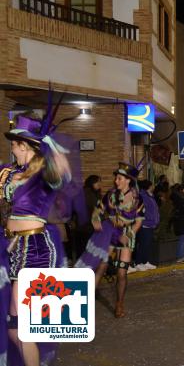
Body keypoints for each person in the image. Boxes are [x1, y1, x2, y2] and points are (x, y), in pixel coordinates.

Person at [2, 112, 74, 365]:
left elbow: (64, 176)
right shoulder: (12, 173)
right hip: (13, 247)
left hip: (35, 248)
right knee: (14, 325)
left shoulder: (45, 171)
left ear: (25, 146)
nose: (11, 150)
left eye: (14, 145)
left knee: (20, 323)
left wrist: (50, 144)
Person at [76, 162, 144, 318]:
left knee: (121, 273)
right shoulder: (111, 194)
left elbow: (139, 222)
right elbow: (98, 209)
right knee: (100, 267)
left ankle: (119, 303)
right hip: (109, 234)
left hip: (126, 235)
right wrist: (95, 219)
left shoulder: (137, 199)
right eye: (116, 178)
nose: (116, 181)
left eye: (119, 178)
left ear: (128, 180)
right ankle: (83, 303)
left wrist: (129, 234)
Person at [134, 180, 158, 271]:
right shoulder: (143, 196)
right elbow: (141, 210)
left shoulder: (150, 196)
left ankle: (145, 261)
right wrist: (147, 218)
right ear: (149, 186)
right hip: (145, 224)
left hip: (151, 224)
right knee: (143, 244)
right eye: (152, 185)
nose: (154, 187)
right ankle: (138, 262)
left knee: (147, 244)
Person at [171, 184, 184, 263]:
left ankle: (182, 255)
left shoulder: (180, 198)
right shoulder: (180, 199)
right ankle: (181, 256)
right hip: (181, 221)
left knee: (183, 239)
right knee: (182, 239)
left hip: (182, 220)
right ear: (181, 190)